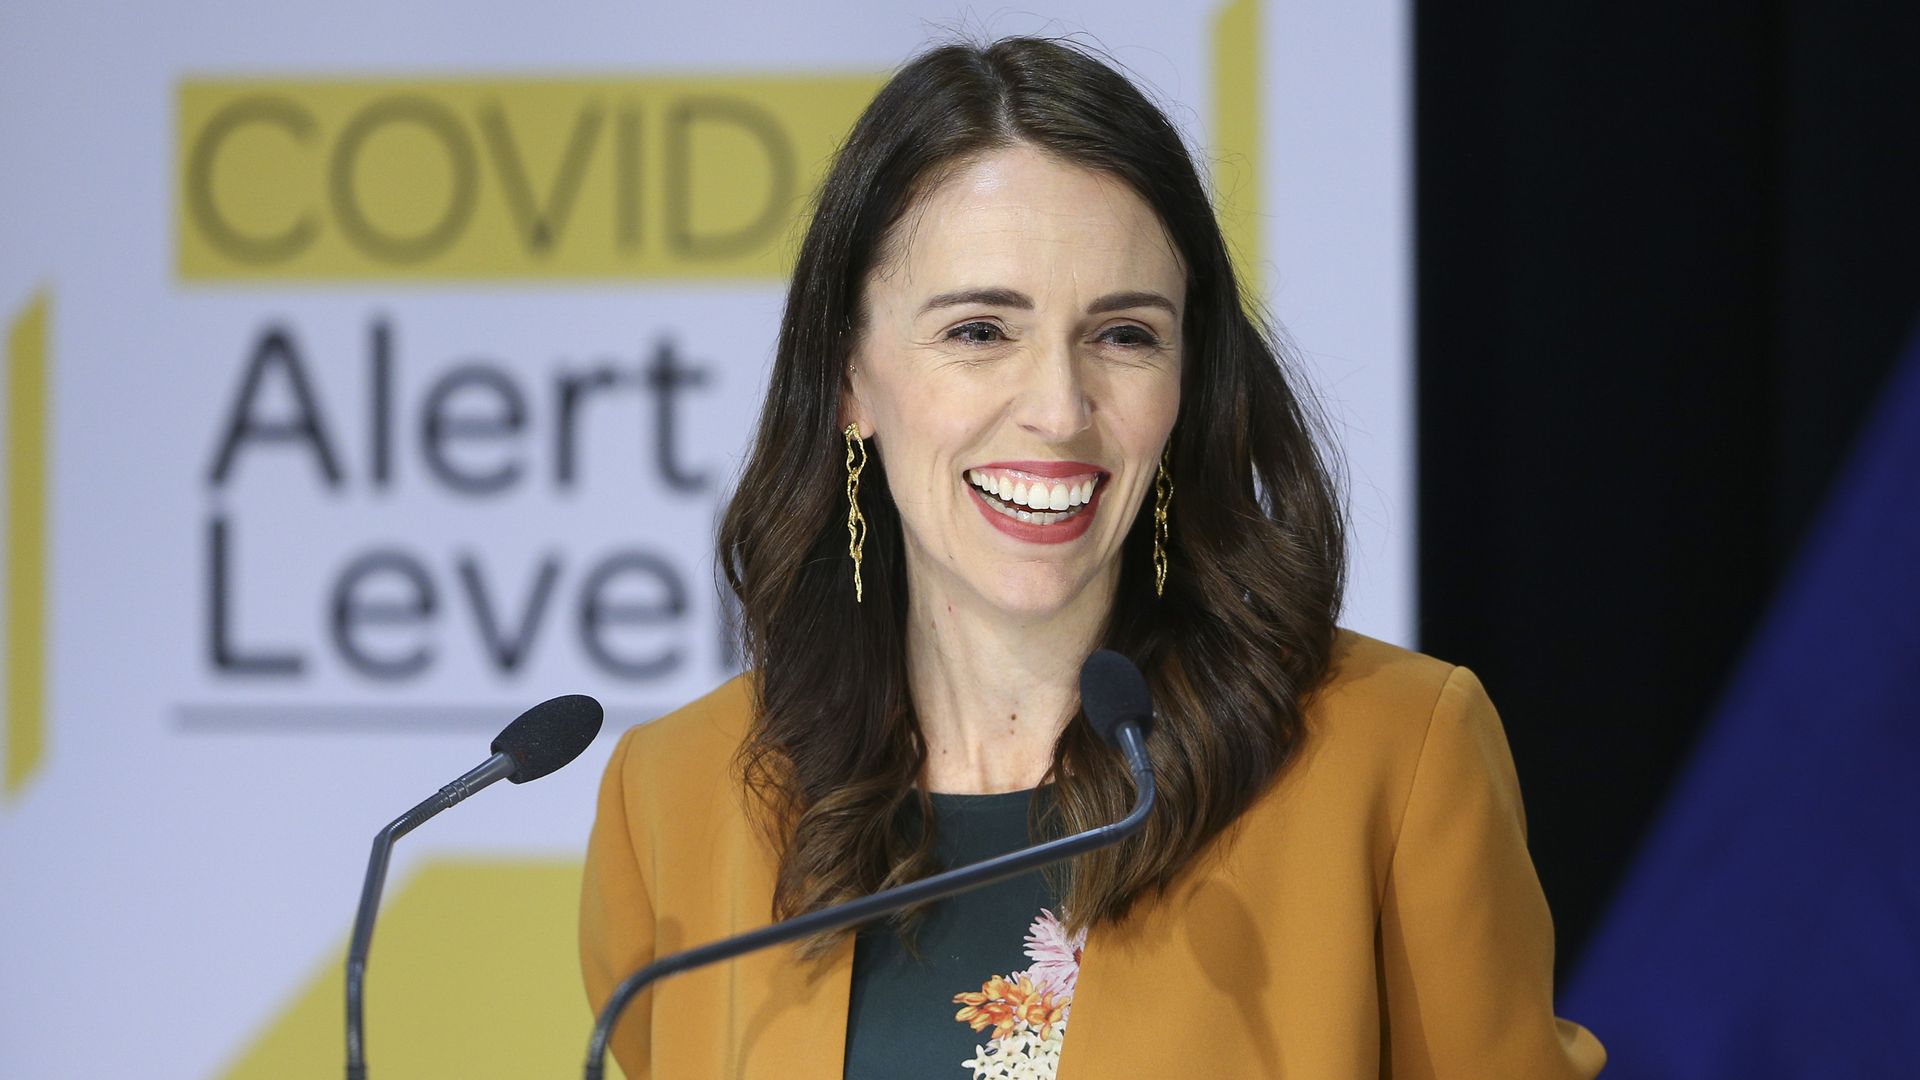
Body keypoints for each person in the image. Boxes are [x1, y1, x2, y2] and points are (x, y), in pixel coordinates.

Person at [579, 35, 1605, 1080]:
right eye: (980, 331)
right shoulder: (677, 795)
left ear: (1188, 378)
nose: (1061, 411)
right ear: (849, 377)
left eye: (1124, 335)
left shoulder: (1392, 759)